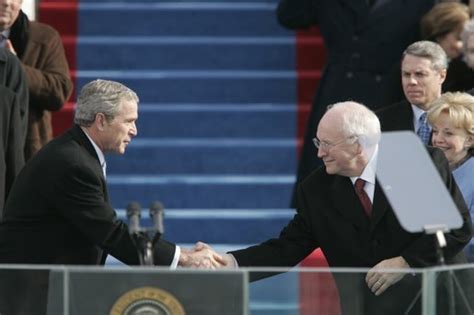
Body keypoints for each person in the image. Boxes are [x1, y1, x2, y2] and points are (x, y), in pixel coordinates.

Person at [199, 101, 472, 314]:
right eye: (319, 143)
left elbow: (455, 230)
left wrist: (405, 262)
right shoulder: (318, 189)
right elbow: (287, 248)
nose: (319, 153)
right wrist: (231, 262)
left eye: (327, 144)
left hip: (435, 302)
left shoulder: (408, 160)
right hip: (370, 308)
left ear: (357, 146)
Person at [0, 80, 224, 315]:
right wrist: (184, 259)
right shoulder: (72, 163)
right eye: (129, 121)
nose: (134, 130)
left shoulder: (77, 153)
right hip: (29, 296)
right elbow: (110, 233)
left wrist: (184, 255)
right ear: (101, 120)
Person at [277, 0, 436, 206]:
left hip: (392, 96)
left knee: (394, 202)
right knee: (328, 202)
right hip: (339, 94)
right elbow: (291, 16)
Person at [0, 0, 73, 160]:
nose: (6, 2)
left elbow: (59, 92)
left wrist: (15, 67)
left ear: (20, 3)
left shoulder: (44, 37)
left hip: (28, 151)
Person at [427, 91, 474, 260]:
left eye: (448, 133)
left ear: (469, 140)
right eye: (435, 131)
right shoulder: (426, 172)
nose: (438, 139)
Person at [377, 41, 447, 144]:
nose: (411, 81)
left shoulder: (462, 118)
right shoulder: (380, 122)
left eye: (419, 74)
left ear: (441, 76)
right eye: (406, 74)